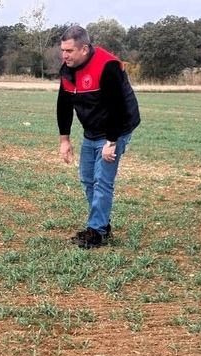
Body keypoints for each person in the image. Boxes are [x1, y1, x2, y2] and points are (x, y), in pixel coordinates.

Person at [57, 25, 140, 249]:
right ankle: (102, 223)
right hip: (92, 130)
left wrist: (111, 142)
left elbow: (117, 108)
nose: (65, 55)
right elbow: (64, 104)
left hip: (117, 127)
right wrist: (64, 140)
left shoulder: (107, 66)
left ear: (84, 49)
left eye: (69, 51)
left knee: (102, 181)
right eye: (63, 50)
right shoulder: (67, 69)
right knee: (87, 178)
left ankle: (97, 231)